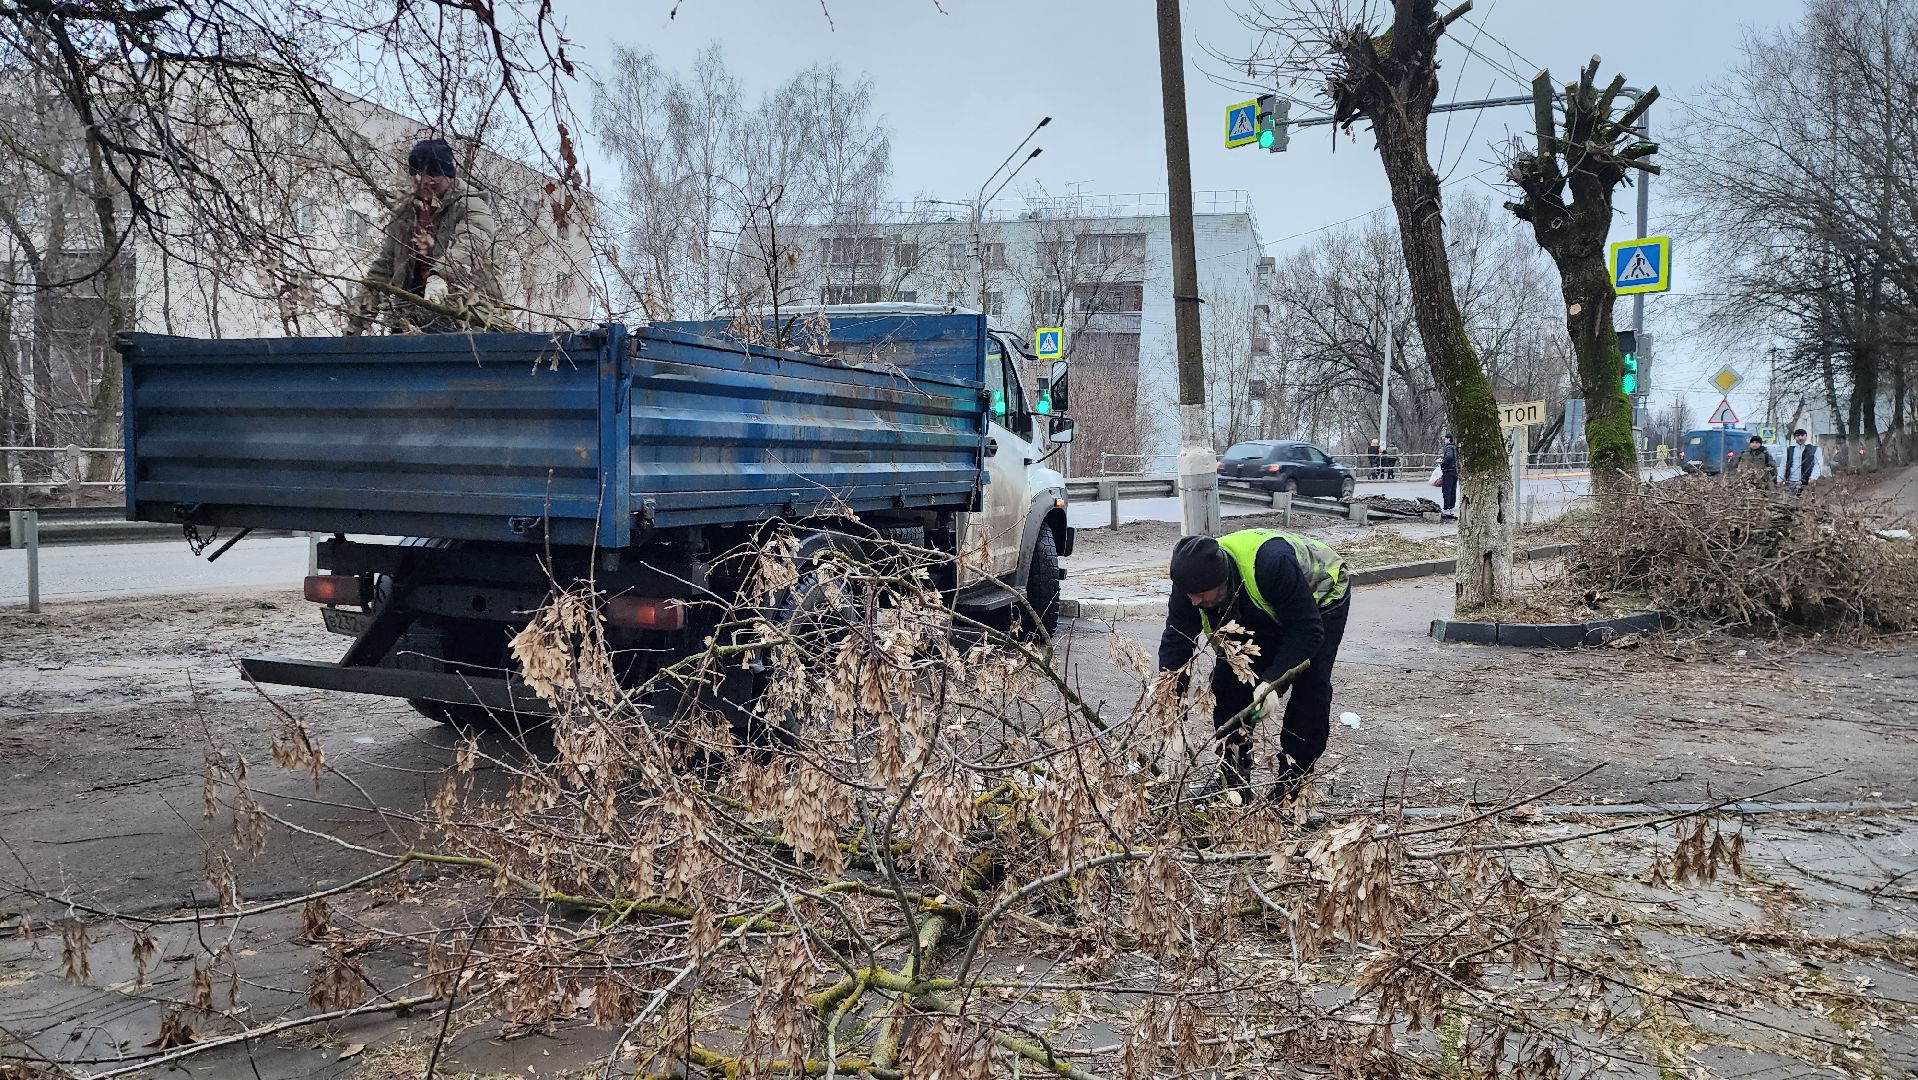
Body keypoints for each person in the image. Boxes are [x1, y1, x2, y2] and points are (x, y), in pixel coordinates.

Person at [1158, 530, 1352, 803]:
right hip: (1262, 605)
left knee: (1311, 687)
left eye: (1200, 594)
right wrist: (1172, 717)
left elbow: (1306, 631)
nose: (1194, 602)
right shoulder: (1190, 584)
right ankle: (1232, 781)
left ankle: (1293, 782)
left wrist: (1272, 681)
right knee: (1229, 683)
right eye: (1189, 594)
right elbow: (1177, 643)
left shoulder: (1272, 565)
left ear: (1221, 580)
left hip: (1322, 598)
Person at [346, 137, 502, 335]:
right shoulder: (405, 215)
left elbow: (471, 245)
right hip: (411, 321)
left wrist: (439, 276)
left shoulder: (472, 205)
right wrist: (357, 321)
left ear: (450, 175)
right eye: (419, 173)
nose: (427, 180)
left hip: (469, 321)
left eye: (434, 173)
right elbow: (383, 269)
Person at [1778, 428, 1823, 494]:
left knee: (1806, 501)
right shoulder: (1789, 450)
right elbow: (1783, 465)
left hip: (1807, 482)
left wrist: (1813, 477)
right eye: (1797, 436)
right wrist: (1780, 479)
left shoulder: (1814, 449)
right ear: (1794, 437)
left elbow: (1818, 464)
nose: (1800, 438)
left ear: (1806, 436)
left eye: (1802, 435)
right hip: (1791, 481)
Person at [1438, 434, 1458, 514]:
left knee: (1447, 489)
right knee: (1453, 489)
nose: (1444, 440)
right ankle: (1452, 505)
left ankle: (1447, 506)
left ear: (1448, 439)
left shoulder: (1449, 447)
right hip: (1454, 470)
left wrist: (1442, 464)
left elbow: (1449, 457)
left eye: (1445, 439)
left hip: (1448, 471)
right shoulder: (1455, 447)